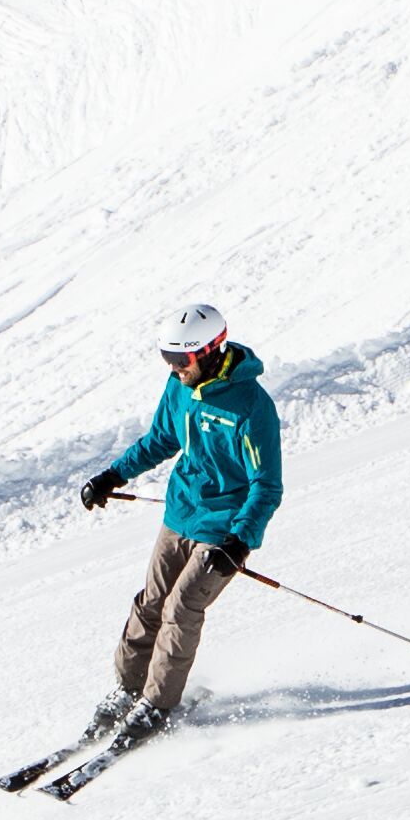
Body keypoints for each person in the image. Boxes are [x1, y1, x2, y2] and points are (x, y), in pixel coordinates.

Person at [72, 301, 280, 753]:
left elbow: (268, 485)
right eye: (168, 358)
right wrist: (112, 476)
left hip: (223, 529)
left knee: (182, 607)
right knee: (150, 605)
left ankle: (157, 706)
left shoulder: (251, 407)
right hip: (179, 514)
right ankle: (127, 691)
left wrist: (241, 541)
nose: (174, 368)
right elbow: (160, 440)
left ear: (211, 350)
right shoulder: (179, 387)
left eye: (180, 359)